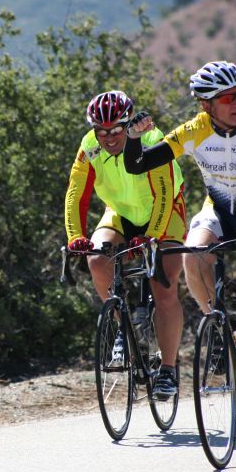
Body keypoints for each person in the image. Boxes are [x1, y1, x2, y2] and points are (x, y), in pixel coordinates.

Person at [123, 61, 236, 439]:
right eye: (228, 97)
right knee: (192, 253)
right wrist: (134, 137)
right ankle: (218, 327)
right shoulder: (195, 130)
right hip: (219, 211)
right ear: (206, 105)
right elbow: (137, 165)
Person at [64, 90, 188, 401]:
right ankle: (124, 327)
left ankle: (169, 370)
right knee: (96, 258)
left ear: (127, 124)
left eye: (116, 130)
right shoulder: (89, 145)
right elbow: (75, 194)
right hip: (120, 212)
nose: (108, 137)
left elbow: (163, 194)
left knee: (164, 284)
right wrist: (74, 235)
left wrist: (152, 236)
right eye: (101, 131)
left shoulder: (149, 138)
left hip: (164, 211)